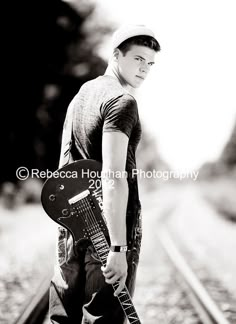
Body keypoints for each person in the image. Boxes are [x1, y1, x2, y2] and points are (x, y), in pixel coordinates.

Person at [49, 24, 161, 324]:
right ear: (116, 55)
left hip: (72, 226)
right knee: (102, 319)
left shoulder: (81, 96)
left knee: (63, 318)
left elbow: (64, 167)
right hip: (107, 230)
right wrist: (118, 247)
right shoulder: (121, 102)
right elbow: (113, 176)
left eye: (150, 63)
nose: (145, 69)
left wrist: (66, 227)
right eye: (138, 59)